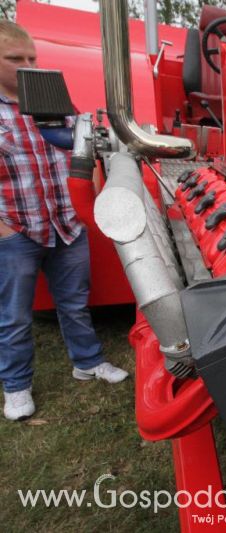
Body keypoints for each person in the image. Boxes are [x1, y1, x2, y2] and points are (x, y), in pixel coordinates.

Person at [0, 21, 128, 421]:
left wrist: (86, 200)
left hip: (66, 222)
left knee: (74, 303)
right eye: (15, 58)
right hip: (16, 228)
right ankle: (17, 388)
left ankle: (87, 361)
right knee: (14, 317)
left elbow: (83, 149)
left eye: (32, 58)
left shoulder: (52, 98)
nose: (27, 65)